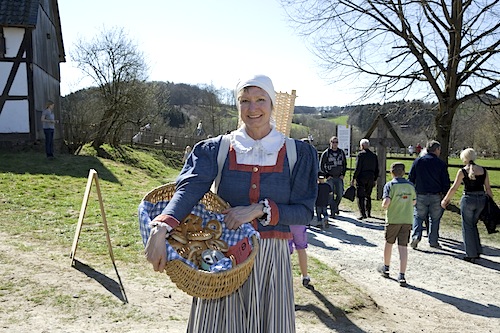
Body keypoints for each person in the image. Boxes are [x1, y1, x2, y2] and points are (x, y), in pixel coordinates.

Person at [143, 74, 318, 332]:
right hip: (224, 257)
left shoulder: (297, 153)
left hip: (271, 261)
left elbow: (304, 212)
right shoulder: (219, 148)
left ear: (271, 104)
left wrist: (260, 209)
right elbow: (189, 191)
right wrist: (161, 228)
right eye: (244, 100)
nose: (253, 107)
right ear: (238, 106)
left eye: (260, 99)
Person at [441, 148, 493, 262]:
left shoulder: (462, 171)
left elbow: (454, 188)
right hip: (481, 199)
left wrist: (445, 200)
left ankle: (470, 254)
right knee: (473, 224)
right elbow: (488, 188)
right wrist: (491, 202)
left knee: (467, 226)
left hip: (468, 199)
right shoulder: (483, 170)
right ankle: (478, 249)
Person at [378, 163, 416, 287]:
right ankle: (402, 275)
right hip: (407, 219)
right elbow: (414, 201)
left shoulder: (390, 185)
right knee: (403, 247)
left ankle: (386, 267)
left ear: (391, 172)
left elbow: (386, 202)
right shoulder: (410, 186)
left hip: (393, 219)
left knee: (389, 243)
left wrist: (384, 205)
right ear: (404, 172)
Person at [408, 140, 450, 249]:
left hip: (420, 193)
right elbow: (445, 181)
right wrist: (446, 195)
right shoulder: (441, 164)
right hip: (436, 195)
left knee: (418, 216)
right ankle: (433, 241)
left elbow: (411, 178)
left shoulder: (418, 161)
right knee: (434, 219)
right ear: (436, 150)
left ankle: (416, 236)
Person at [319, 136, 347, 217]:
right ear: (330, 143)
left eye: (336, 142)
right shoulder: (326, 153)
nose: (335, 144)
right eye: (333, 142)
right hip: (330, 177)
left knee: (340, 194)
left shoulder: (341, 153)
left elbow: (344, 164)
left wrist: (343, 174)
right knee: (330, 195)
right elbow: (321, 165)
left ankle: (335, 207)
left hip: (339, 177)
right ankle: (332, 211)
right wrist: (326, 175)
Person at [352, 139, 379, 220]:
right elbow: (377, 168)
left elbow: (358, 167)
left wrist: (354, 177)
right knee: (368, 195)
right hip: (371, 176)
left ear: (362, 146)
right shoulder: (374, 156)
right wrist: (375, 179)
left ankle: (362, 213)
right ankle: (369, 212)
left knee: (360, 196)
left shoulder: (360, 155)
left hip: (362, 177)